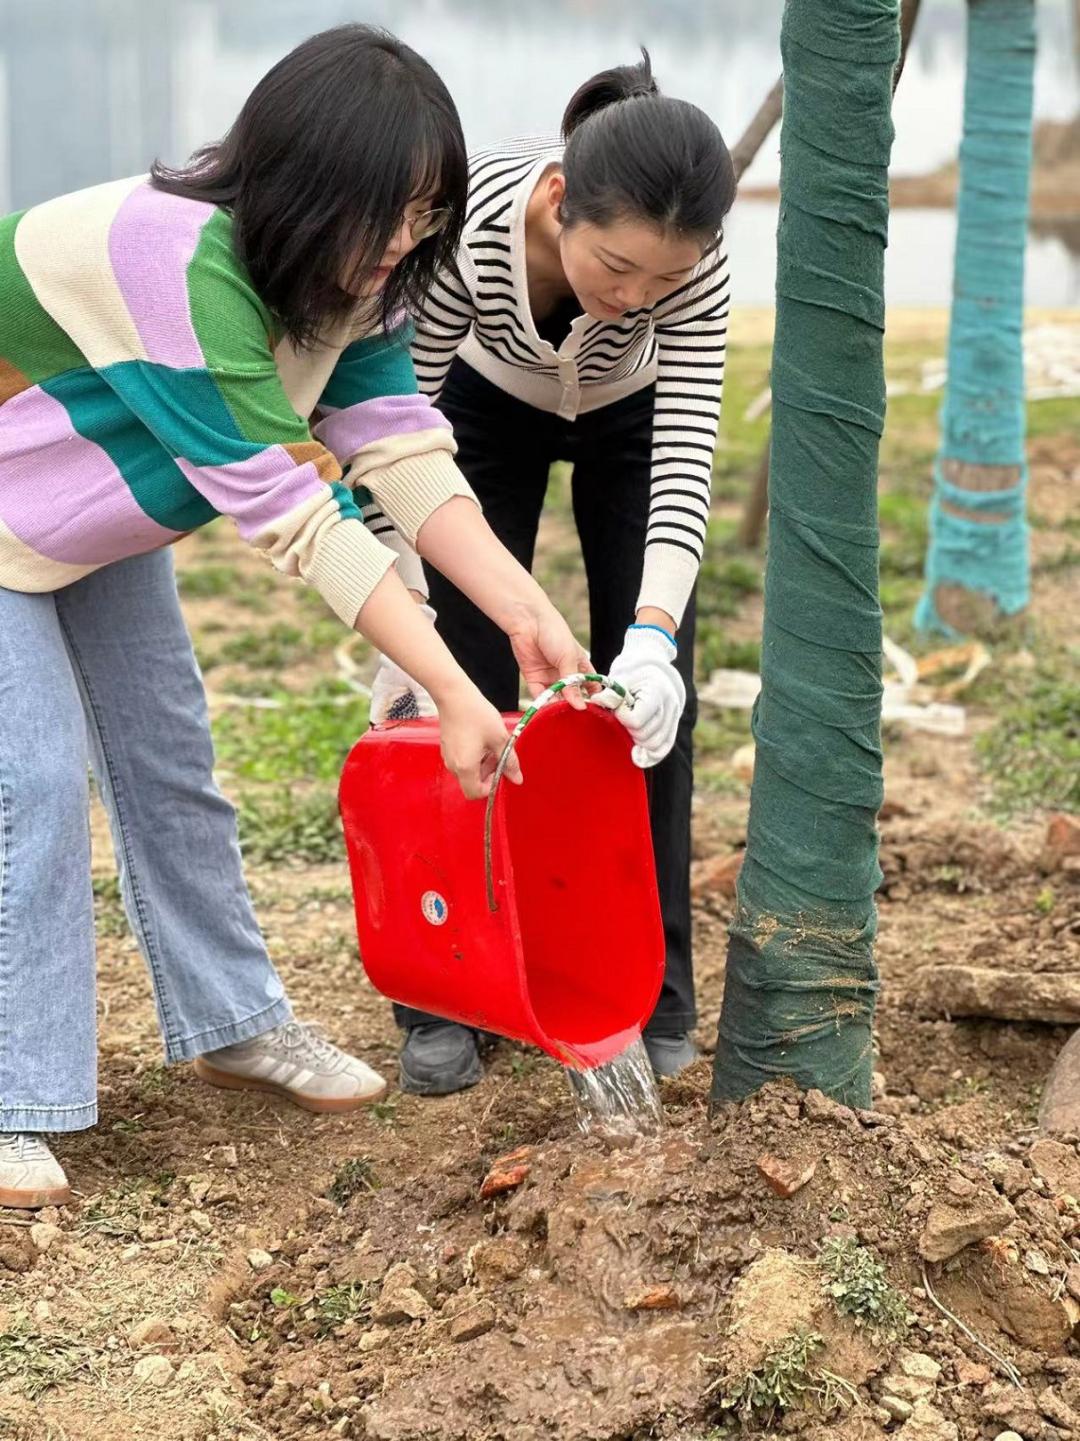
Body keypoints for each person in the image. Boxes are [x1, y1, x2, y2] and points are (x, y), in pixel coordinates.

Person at [0, 24, 588, 1209]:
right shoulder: (174, 259)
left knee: (173, 759)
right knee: (35, 783)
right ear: (303, 179)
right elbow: (297, 516)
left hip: (85, 520)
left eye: (426, 214)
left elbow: (404, 457)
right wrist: (460, 690)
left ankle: (231, 1022)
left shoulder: (342, 280)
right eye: (386, 212)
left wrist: (526, 609)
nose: (403, 244)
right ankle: (17, 1095)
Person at [370, 53, 735, 1094]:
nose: (636, 296)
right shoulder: (466, 228)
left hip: (631, 416)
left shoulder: (688, 266)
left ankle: (655, 988)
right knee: (469, 672)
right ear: (561, 200)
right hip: (478, 415)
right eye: (617, 268)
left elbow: (686, 457)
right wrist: (403, 615)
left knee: (650, 706)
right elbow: (395, 428)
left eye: (664, 280)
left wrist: (656, 636)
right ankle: (448, 991)